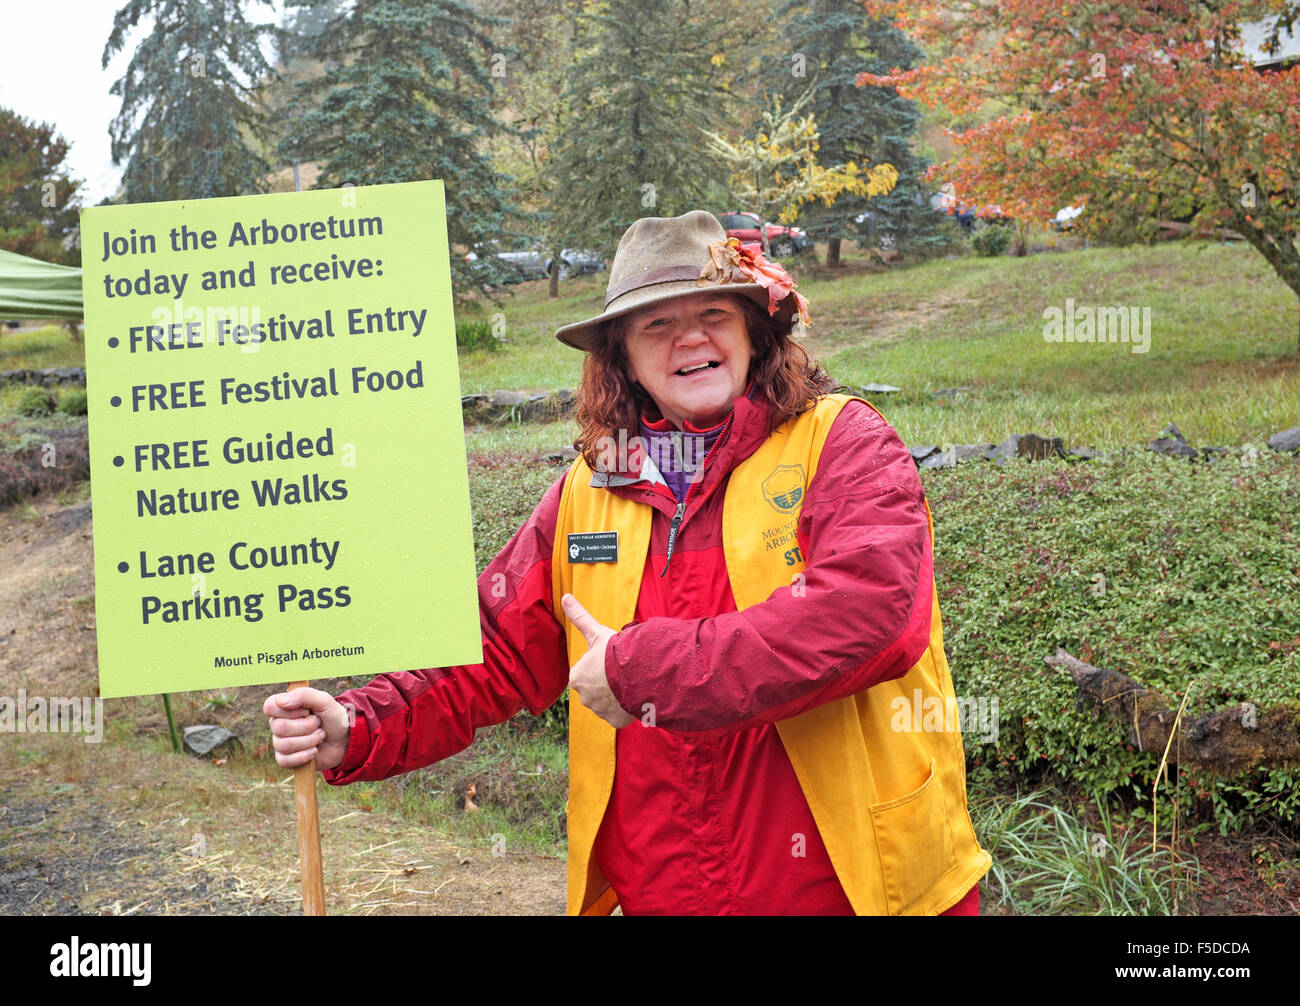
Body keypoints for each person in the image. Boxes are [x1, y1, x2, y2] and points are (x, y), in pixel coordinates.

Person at [263, 210, 991, 916]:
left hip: (852, 892)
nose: (691, 339)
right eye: (657, 323)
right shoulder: (590, 489)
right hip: (667, 891)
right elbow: (492, 651)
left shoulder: (843, 442)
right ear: (625, 359)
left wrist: (643, 672)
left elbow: (870, 617)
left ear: (754, 333)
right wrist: (360, 726)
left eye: (714, 313)